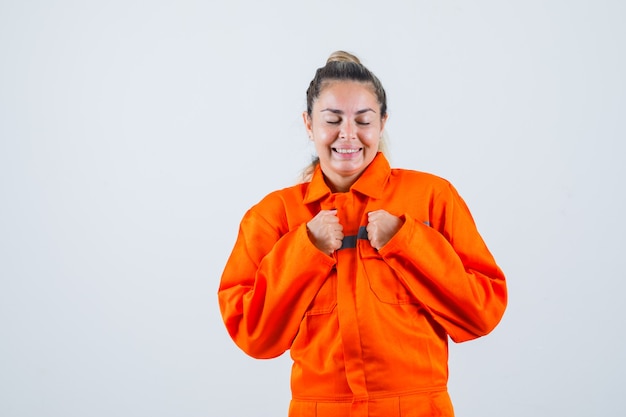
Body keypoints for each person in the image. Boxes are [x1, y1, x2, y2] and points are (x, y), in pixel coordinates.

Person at [218, 50, 507, 417]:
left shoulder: (432, 198)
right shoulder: (274, 216)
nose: (348, 135)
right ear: (309, 124)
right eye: (332, 119)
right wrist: (305, 249)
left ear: (383, 122)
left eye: (363, 120)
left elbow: (483, 311)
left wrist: (407, 241)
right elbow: (250, 332)